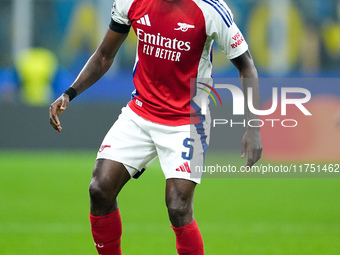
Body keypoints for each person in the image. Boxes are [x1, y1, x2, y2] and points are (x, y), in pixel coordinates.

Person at [49, 0, 262, 254]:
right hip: (140, 112)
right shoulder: (131, 2)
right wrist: (70, 93)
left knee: (178, 206)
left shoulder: (211, 9)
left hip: (187, 119)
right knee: (100, 189)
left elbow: (246, 65)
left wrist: (253, 127)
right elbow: (104, 55)